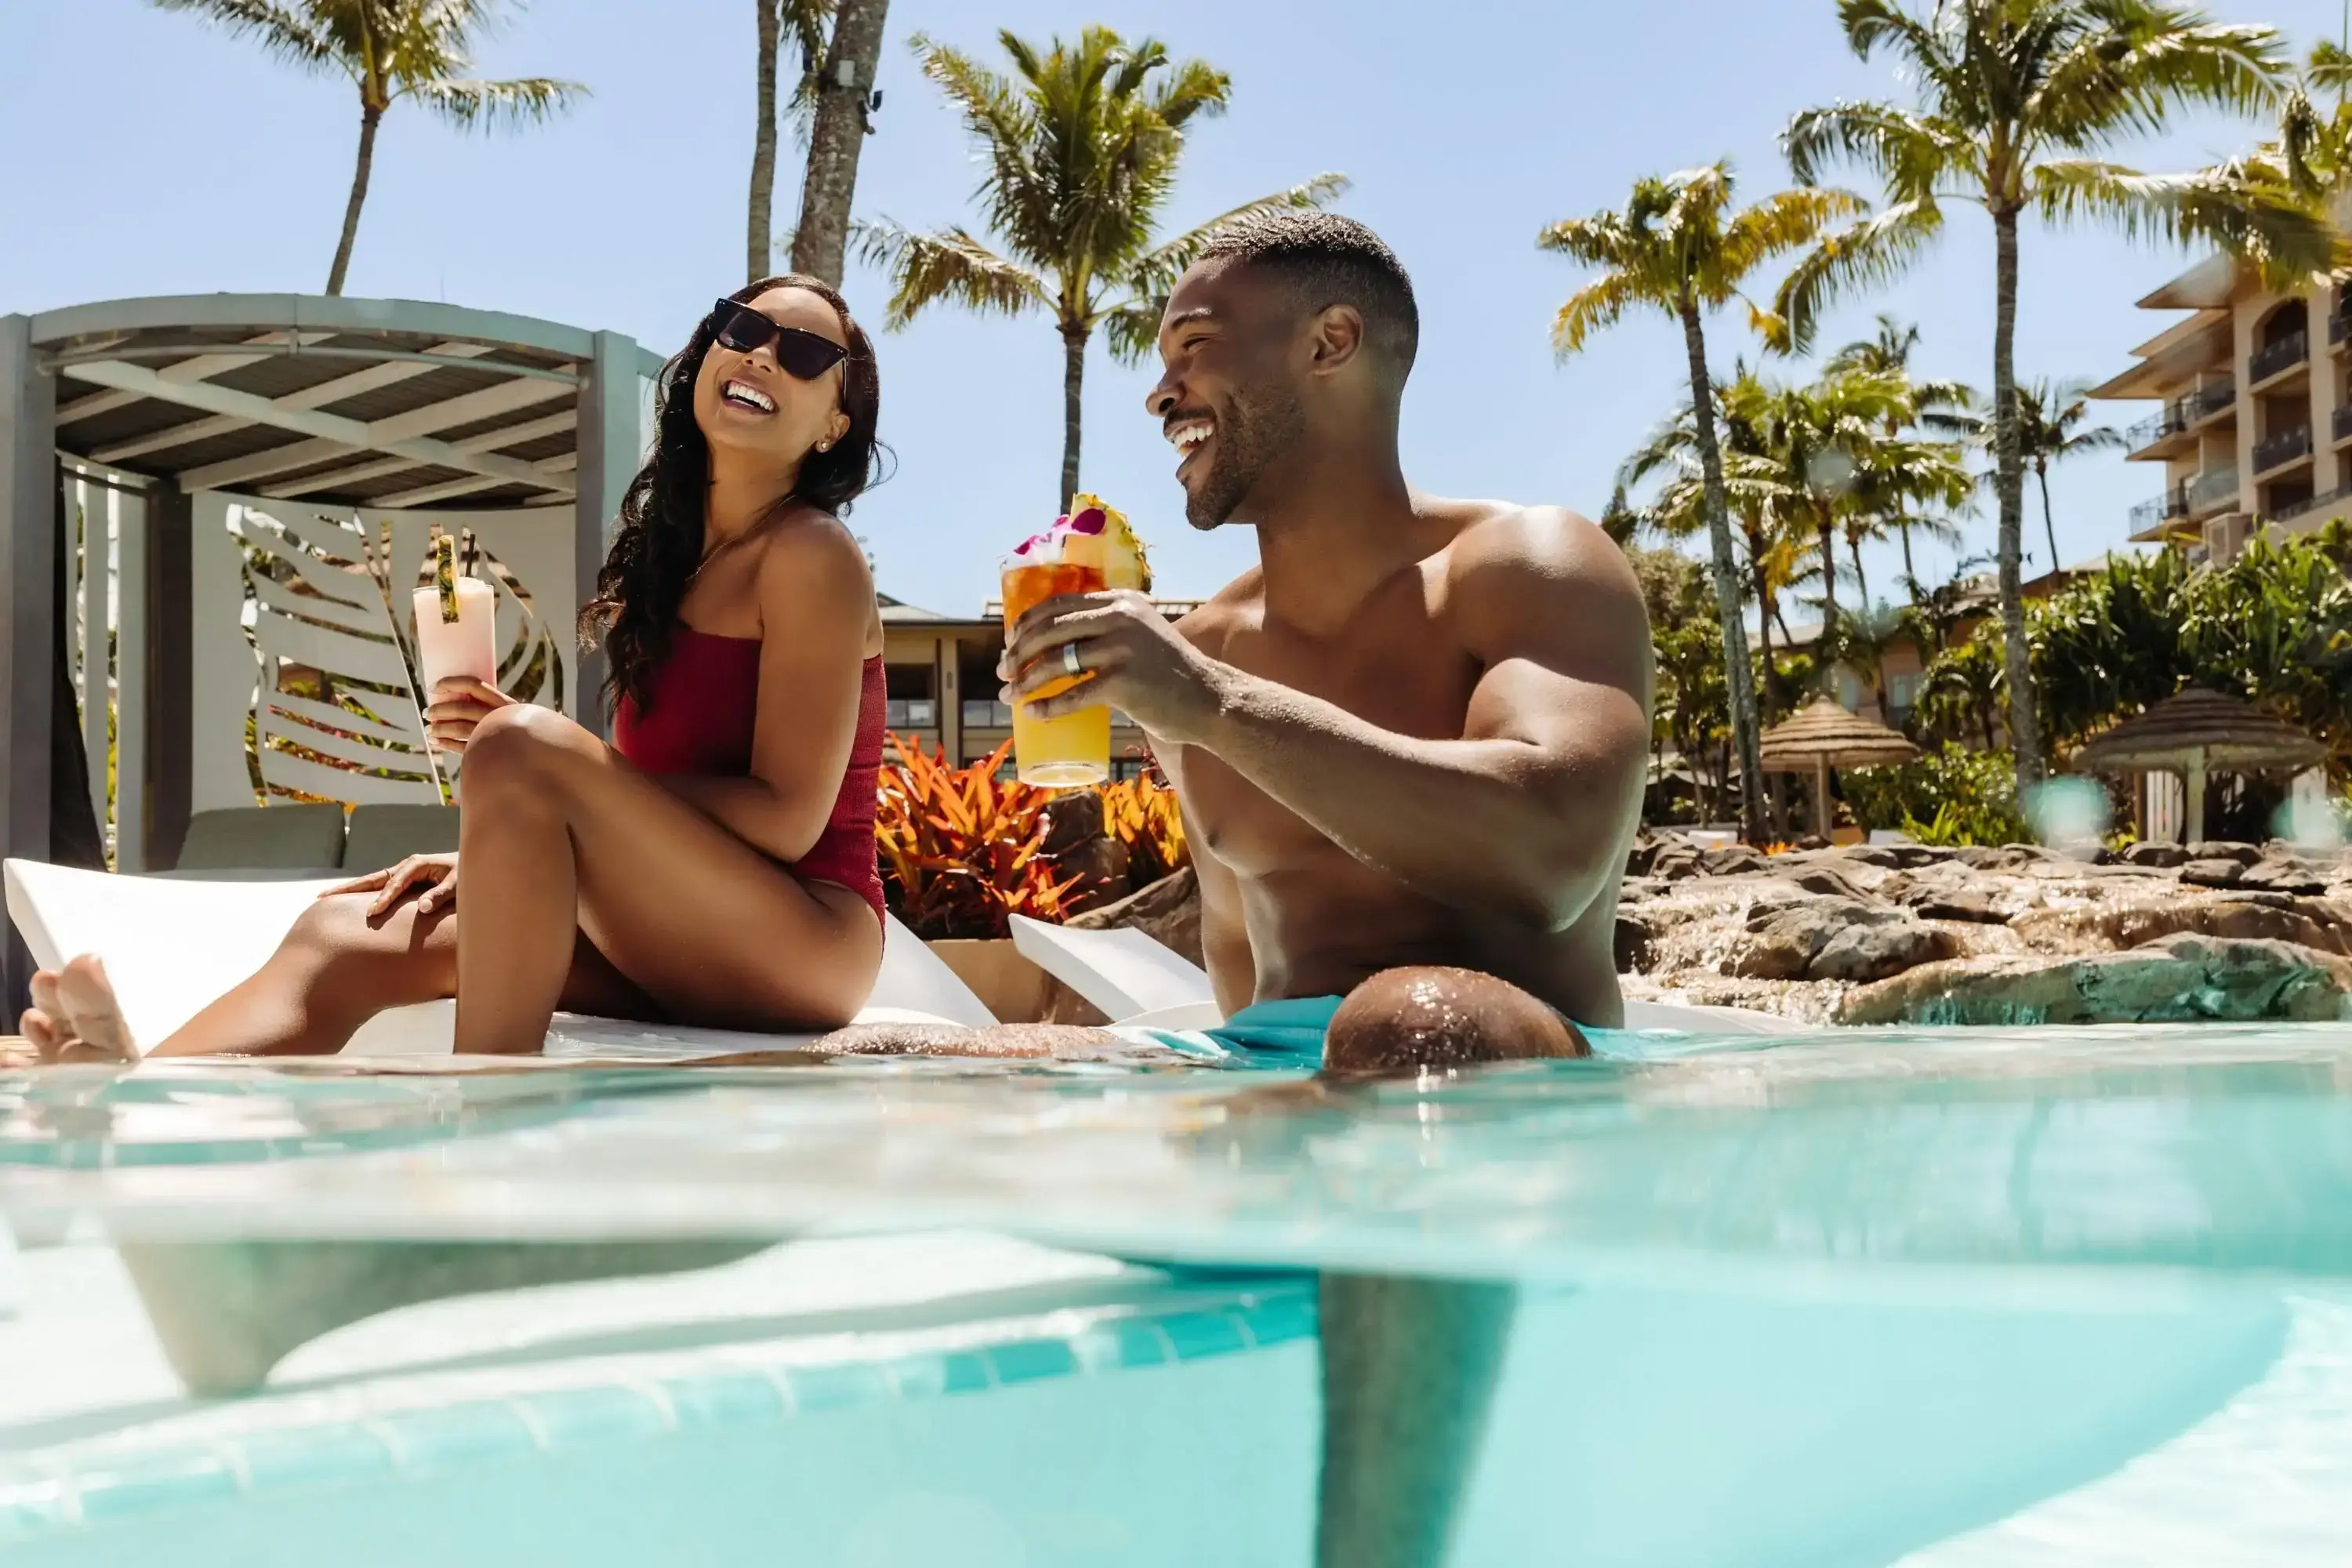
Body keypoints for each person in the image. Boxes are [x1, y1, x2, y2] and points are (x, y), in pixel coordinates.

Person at [991, 209, 1653, 1568]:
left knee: (1410, 1021)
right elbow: (1241, 970)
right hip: (1274, 1093)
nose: (1161, 389)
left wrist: (1215, 705)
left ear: (1333, 343)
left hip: (1503, 1069)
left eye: (1192, 348)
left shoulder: (1522, 568)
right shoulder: (1203, 650)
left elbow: (1553, 854)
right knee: (891, 1058)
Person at [20, 274, 893, 1062]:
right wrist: (516, 837)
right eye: (743, 328)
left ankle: (488, 1118)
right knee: (348, 933)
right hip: (678, 926)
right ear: (708, 354)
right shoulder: (678, 564)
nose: (763, 355)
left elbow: (785, 819)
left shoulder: (812, 555)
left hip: (802, 941)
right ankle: (138, 1089)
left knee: (519, 745)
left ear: (835, 424)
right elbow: (651, 808)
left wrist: (555, 779)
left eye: (806, 353)